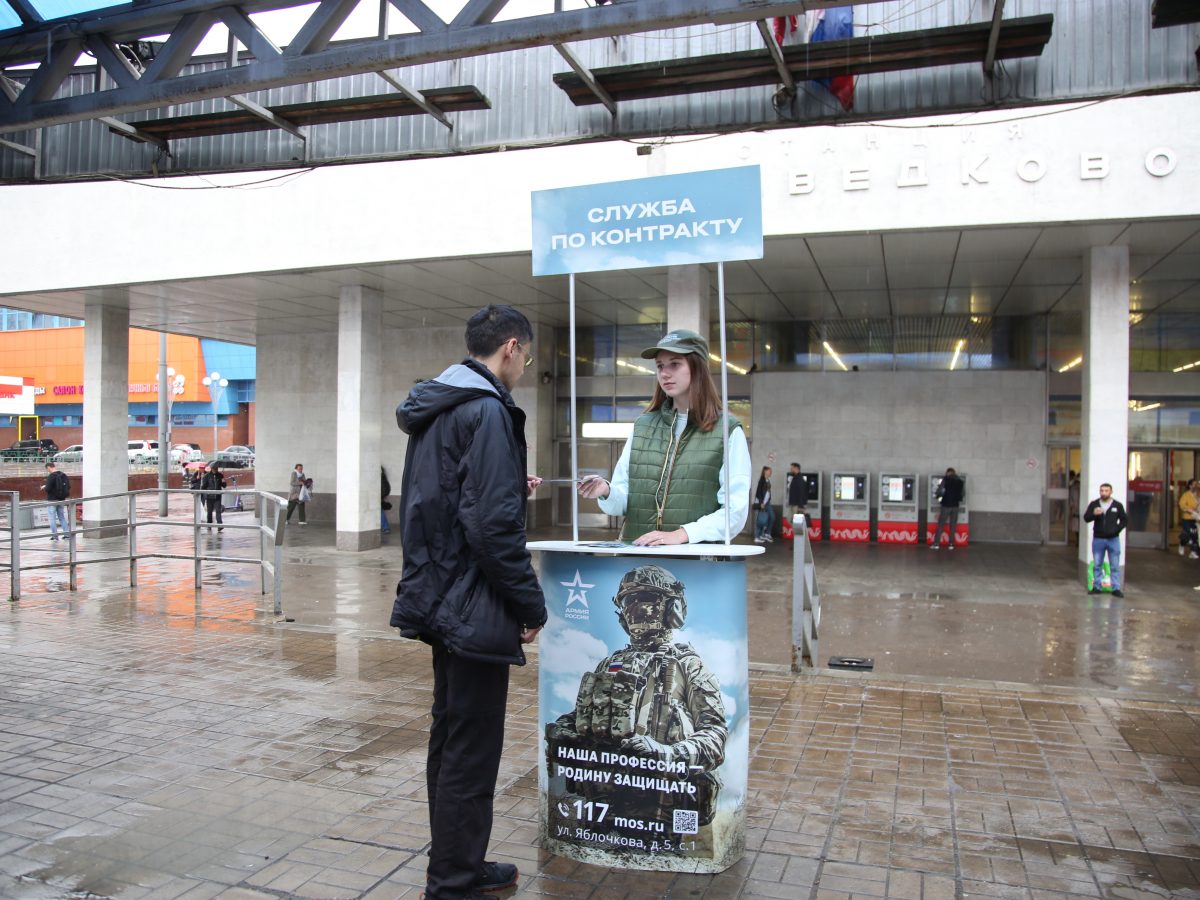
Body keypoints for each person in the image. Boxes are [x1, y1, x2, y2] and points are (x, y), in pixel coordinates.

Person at [390, 304, 547, 900]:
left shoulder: (441, 405)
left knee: (450, 735)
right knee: (471, 748)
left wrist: (507, 483)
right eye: (526, 357)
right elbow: (491, 529)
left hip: (438, 592)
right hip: (473, 601)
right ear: (510, 347)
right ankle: (454, 880)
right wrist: (530, 605)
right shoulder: (486, 409)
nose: (524, 368)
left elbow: (449, 496)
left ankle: (458, 860)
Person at [546, 564, 727, 830]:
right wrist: (563, 733)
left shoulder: (688, 665)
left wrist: (668, 753)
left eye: (648, 600)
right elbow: (583, 716)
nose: (637, 609)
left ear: (672, 609)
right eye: (630, 601)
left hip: (661, 811)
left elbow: (715, 734)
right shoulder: (610, 664)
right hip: (601, 807)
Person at [578, 329, 750, 545]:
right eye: (660, 366)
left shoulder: (727, 430)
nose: (665, 373)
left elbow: (734, 512)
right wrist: (606, 491)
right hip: (638, 562)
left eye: (675, 364)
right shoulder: (642, 426)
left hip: (698, 567)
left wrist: (681, 535)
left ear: (697, 368)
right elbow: (625, 502)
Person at [1083, 482, 1128, 598]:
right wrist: (1094, 514)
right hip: (1098, 539)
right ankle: (1097, 587)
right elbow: (1086, 518)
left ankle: (1116, 588)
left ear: (1111, 492)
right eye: (1101, 490)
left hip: (1113, 539)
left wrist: (1116, 530)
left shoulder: (1117, 505)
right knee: (1097, 564)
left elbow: (1124, 520)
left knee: (1115, 565)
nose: (1103, 493)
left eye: (1106, 490)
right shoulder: (1094, 504)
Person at [930, 467, 965, 550]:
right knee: (953, 526)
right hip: (955, 506)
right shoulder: (960, 481)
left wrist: (939, 499)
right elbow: (963, 494)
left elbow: (939, 491)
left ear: (948, 473)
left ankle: (936, 544)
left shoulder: (945, 480)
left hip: (946, 505)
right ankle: (951, 544)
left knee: (941, 525)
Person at [43, 461, 71, 541]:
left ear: (49, 467)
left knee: (52, 518)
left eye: (47, 469)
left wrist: (44, 487)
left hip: (52, 500)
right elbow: (68, 486)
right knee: (62, 517)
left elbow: (48, 489)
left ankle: (55, 536)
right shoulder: (63, 475)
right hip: (61, 499)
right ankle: (67, 535)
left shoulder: (51, 476)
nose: (47, 471)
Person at [201, 462, 226, 529]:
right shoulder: (207, 476)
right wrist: (206, 493)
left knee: (218, 510)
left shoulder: (220, 475)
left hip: (217, 496)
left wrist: (223, 481)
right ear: (211, 468)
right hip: (209, 496)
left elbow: (224, 486)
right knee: (209, 512)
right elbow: (203, 487)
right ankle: (209, 525)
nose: (216, 469)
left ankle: (219, 525)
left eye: (217, 468)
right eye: (214, 468)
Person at [753, 465, 774, 543]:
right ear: (765, 471)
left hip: (767, 502)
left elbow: (768, 493)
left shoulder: (767, 480)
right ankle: (758, 536)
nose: (771, 472)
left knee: (768, 518)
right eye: (769, 471)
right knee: (762, 519)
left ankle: (764, 534)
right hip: (763, 503)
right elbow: (758, 493)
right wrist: (761, 503)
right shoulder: (762, 480)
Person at [1179, 479, 1199, 558]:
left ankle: (1193, 552)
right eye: (1194, 484)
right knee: (1187, 534)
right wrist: (1190, 509)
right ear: (1190, 486)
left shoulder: (1198, 495)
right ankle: (1182, 544)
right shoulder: (1186, 495)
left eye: (1196, 484)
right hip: (1187, 518)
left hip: (1196, 518)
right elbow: (1182, 504)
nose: (1196, 486)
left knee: (1194, 535)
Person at [786, 461, 809, 526]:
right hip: (793, 504)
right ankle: (798, 534)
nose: (790, 470)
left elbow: (802, 493)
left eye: (792, 468)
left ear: (796, 468)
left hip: (797, 505)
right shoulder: (795, 478)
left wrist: (800, 506)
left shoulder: (799, 479)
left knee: (796, 522)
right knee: (791, 520)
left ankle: (799, 534)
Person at [381, 466, 392, 534]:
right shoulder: (383, 478)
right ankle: (385, 527)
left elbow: (385, 489)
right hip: (380, 495)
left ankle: (386, 527)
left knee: (379, 511)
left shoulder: (381, 479)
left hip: (379, 495)